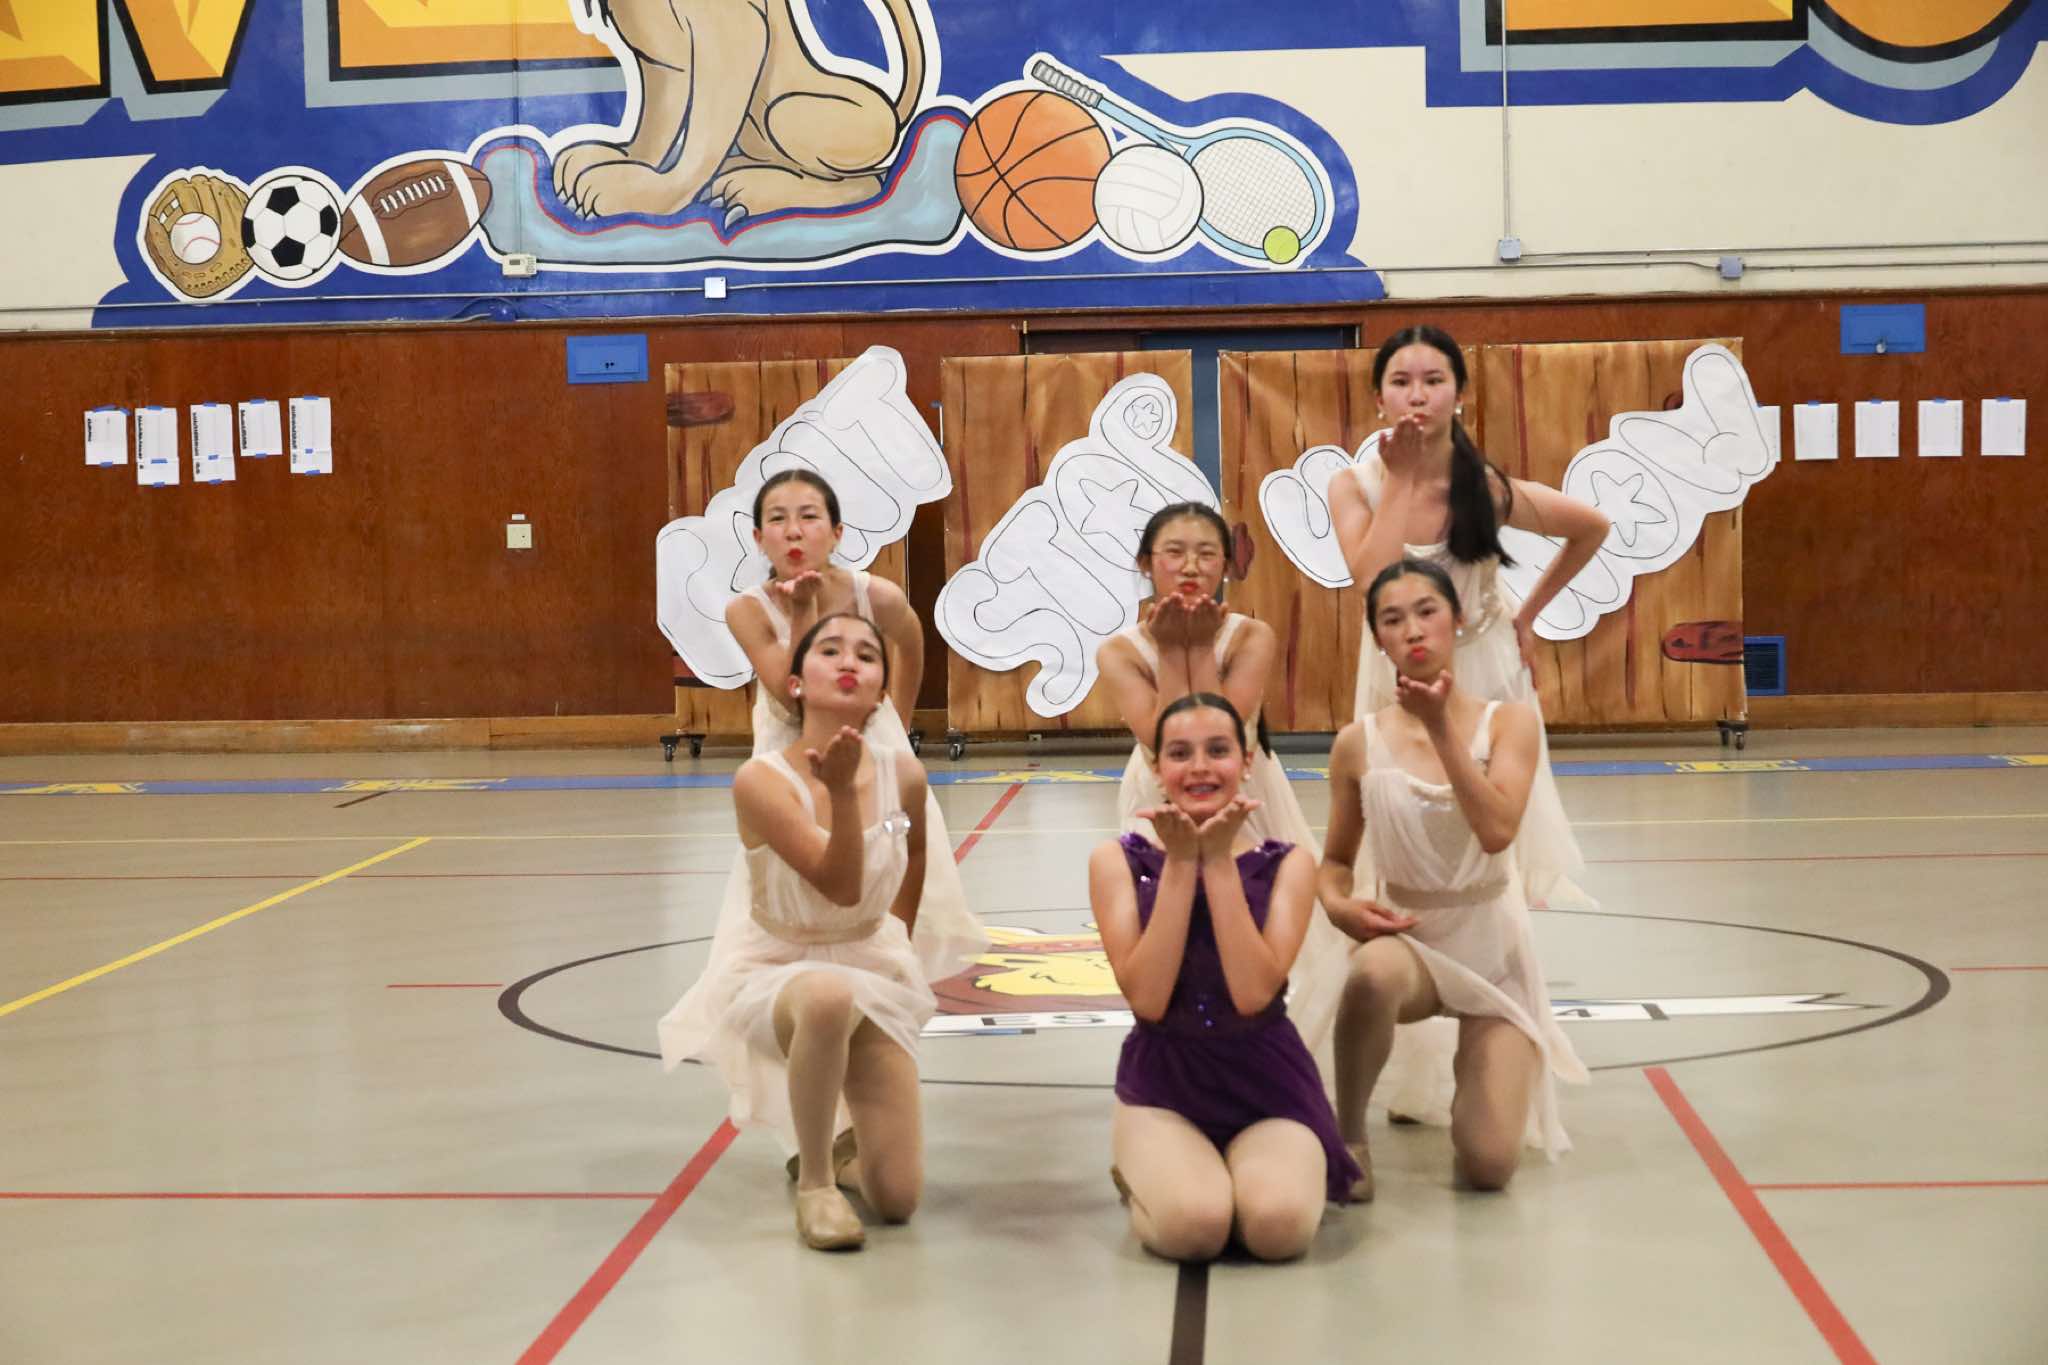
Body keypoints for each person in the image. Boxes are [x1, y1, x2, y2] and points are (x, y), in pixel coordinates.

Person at [1315, 325, 1608, 1124]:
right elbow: (1371, 578)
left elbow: (1590, 526)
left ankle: (1493, 1039)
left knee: (1485, 865)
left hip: (1484, 674)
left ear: (1460, 394)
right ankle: (1407, 1071)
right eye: (1401, 380)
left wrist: (1528, 617)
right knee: (1401, 860)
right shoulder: (1353, 483)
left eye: (1434, 379)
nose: (1417, 394)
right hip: (1396, 678)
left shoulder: (1486, 486)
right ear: (1378, 396)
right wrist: (1405, 479)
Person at [658, 613, 933, 1251]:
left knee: (897, 1198)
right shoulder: (761, 781)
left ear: (881, 691)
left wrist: (898, 935)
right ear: (796, 682)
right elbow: (838, 883)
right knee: (827, 995)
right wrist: (842, 796)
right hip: (777, 969)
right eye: (830, 650)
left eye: (867, 655)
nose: (849, 661)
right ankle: (815, 1184)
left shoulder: (905, 776)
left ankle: (841, 1152)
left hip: (868, 959)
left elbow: (916, 853)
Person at [1318, 560, 1588, 1200]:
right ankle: (1349, 1137)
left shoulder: (1510, 723)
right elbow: (1334, 863)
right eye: (1392, 619)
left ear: (1457, 620)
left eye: (1426, 611)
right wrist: (1338, 906)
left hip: (1491, 951)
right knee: (1370, 974)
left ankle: (1482, 1070)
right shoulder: (1356, 743)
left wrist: (1441, 728)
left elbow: (1497, 831)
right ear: (1378, 639)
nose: (1413, 630)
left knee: (1488, 1167)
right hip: (1409, 941)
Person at [1090, 692, 1362, 1263]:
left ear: (1245, 762)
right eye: (1179, 753)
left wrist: (1216, 862)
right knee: (1195, 1227)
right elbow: (1148, 999)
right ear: (1157, 769)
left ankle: (1227, 1175)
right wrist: (1181, 864)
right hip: (1164, 1083)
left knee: (1277, 1229)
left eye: (1217, 750)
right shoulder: (1117, 861)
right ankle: (1148, 1172)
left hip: (1267, 1082)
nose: (1199, 767)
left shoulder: (1289, 863)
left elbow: (1252, 993)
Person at [719, 468, 985, 981]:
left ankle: (887, 970)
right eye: (777, 519)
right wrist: (802, 611)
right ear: (758, 537)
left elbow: (910, 639)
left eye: (809, 517)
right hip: (788, 753)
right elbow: (790, 691)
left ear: (837, 532)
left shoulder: (872, 593)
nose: (793, 532)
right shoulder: (747, 610)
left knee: (890, 863)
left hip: (868, 741)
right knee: (798, 876)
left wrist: (896, 719)